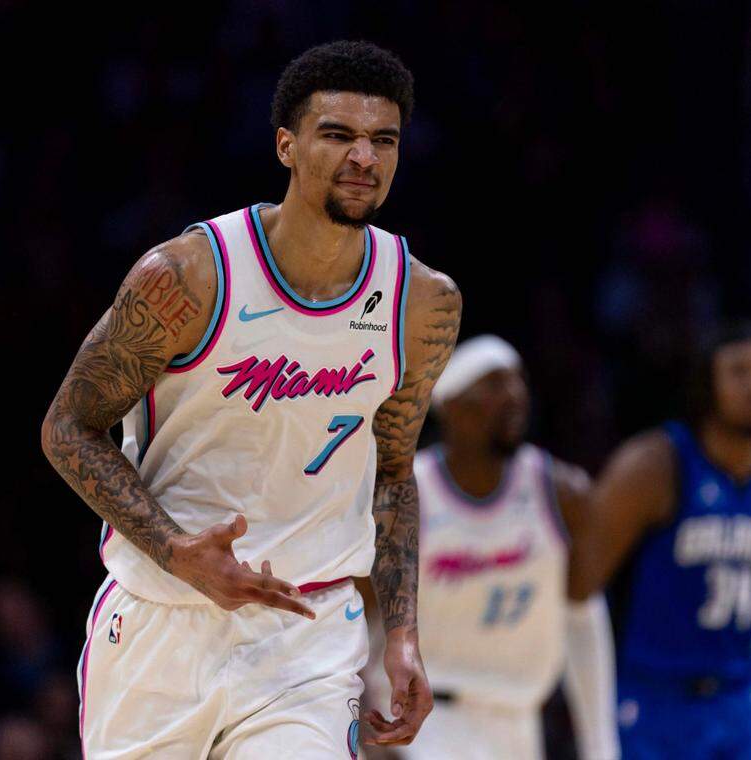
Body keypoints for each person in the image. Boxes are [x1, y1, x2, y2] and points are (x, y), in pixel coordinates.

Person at [41, 40, 461, 758]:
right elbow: (68, 429)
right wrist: (178, 552)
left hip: (308, 636)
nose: (363, 157)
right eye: (338, 135)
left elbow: (393, 473)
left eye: (382, 140)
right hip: (162, 622)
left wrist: (404, 635)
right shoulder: (187, 277)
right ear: (286, 146)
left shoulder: (421, 302)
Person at [569, 321, 751, 758]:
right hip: (656, 700)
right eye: (740, 371)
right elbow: (577, 583)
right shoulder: (655, 466)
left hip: (746, 702)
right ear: (707, 384)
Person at [364, 335, 619, 759]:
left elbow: (584, 620)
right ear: (451, 406)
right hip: (426, 727)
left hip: (520, 723)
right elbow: (363, 622)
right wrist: (359, 724)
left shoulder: (563, 493)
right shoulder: (407, 499)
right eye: (494, 384)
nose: (514, 396)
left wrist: (601, 746)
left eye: (518, 382)